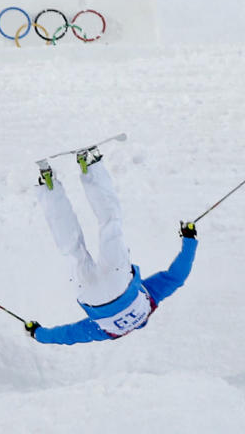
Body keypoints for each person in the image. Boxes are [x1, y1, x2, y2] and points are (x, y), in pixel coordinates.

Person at [24, 146, 197, 345]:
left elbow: (177, 277)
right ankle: (48, 184)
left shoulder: (148, 304)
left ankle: (90, 164)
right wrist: (39, 334)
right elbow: (69, 335)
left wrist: (189, 238)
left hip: (120, 281)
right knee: (71, 249)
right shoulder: (106, 332)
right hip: (90, 295)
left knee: (111, 224)